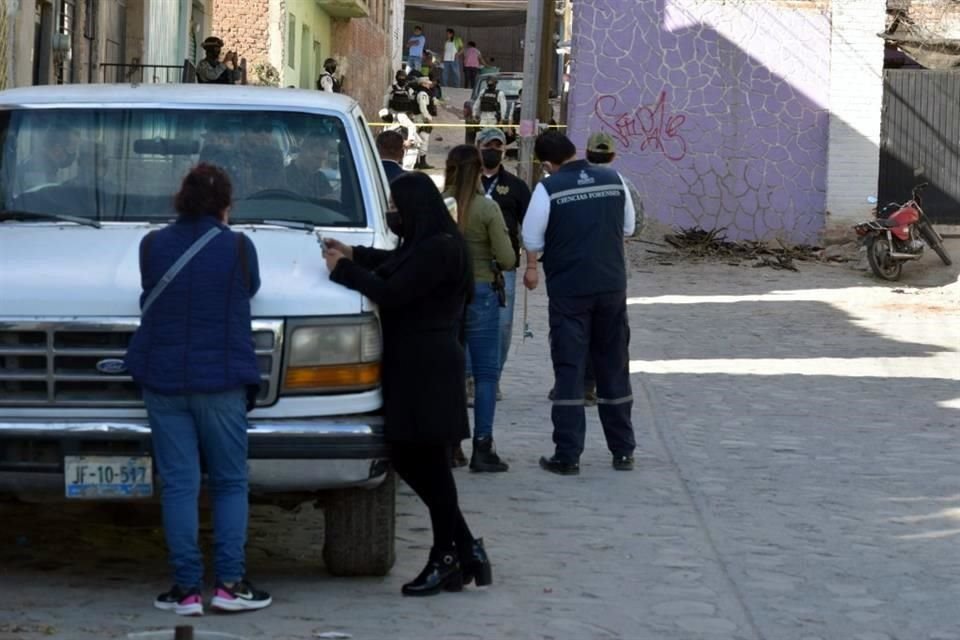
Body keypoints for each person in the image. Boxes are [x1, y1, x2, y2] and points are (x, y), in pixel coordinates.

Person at [322, 171, 494, 596]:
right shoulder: (425, 245)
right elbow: (393, 263)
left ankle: (446, 556)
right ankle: (465, 548)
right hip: (415, 365)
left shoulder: (440, 249)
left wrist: (343, 270)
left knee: (430, 463)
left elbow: (392, 291)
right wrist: (354, 253)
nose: (393, 216)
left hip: (429, 368)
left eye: (396, 209)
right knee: (409, 456)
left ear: (415, 208)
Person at [124, 163, 271, 615]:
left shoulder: (152, 245)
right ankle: (229, 584)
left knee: (179, 485)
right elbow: (250, 287)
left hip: (164, 381)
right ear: (226, 204)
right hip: (221, 382)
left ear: (181, 200)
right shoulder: (240, 247)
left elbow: (152, 286)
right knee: (229, 482)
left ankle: (186, 589)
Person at [521, 132, 637, 476]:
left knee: (570, 367)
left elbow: (531, 238)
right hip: (611, 286)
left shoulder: (548, 188)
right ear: (575, 151)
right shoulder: (614, 179)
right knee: (614, 366)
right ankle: (623, 451)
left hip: (569, 290)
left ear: (546, 164)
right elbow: (629, 227)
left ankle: (568, 455)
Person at [443, 145, 516, 473]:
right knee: (486, 374)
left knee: (451, 372)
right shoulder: (487, 208)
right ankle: (483, 445)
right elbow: (507, 258)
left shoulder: (439, 205)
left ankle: (450, 443)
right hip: (482, 290)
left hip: (446, 294)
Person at [475, 128, 530, 398]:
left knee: (503, 325)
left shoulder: (516, 186)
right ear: (478, 147)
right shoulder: (465, 183)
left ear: (504, 151)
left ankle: (492, 377)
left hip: (503, 266)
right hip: (471, 264)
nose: (493, 151)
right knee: (471, 322)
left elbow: (529, 225)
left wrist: (532, 265)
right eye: (488, 146)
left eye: (498, 147)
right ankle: (471, 378)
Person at [586, 131, 645, 233]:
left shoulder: (572, 181)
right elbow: (637, 225)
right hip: (612, 240)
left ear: (586, 154)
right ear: (613, 156)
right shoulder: (624, 184)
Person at [285, 132, 335, 199]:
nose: (320, 165)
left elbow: (331, 200)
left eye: (323, 160)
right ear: (304, 151)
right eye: (317, 159)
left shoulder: (320, 178)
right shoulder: (284, 176)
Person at [411, 76, 437, 170]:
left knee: (417, 140)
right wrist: (428, 118)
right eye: (427, 83)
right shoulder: (423, 94)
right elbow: (423, 108)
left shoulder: (419, 92)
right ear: (423, 84)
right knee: (424, 140)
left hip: (418, 119)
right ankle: (421, 162)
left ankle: (416, 162)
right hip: (422, 120)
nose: (429, 85)